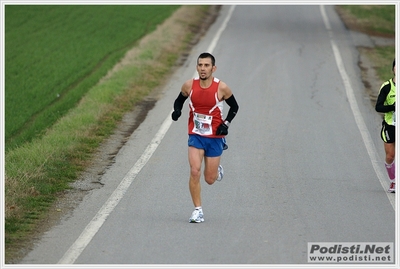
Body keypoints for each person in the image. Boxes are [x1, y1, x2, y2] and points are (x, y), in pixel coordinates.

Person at [171, 52, 239, 223]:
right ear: (197, 67)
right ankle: (198, 210)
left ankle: (217, 171)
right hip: (196, 134)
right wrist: (177, 110)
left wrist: (226, 123)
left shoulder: (221, 88)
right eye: (200, 65)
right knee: (195, 171)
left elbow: (234, 107)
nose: (203, 68)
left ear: (213, 68)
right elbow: (179, 100)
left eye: (206, 65)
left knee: (209, 179)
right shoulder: (189, 85)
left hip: (215, 136)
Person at [375, 59, 396, 193]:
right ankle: (393, 181)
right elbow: (378, 107)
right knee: (390, 156)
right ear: (393, 69)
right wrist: (392, 107)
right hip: (390, 125)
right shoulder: (387, 87)